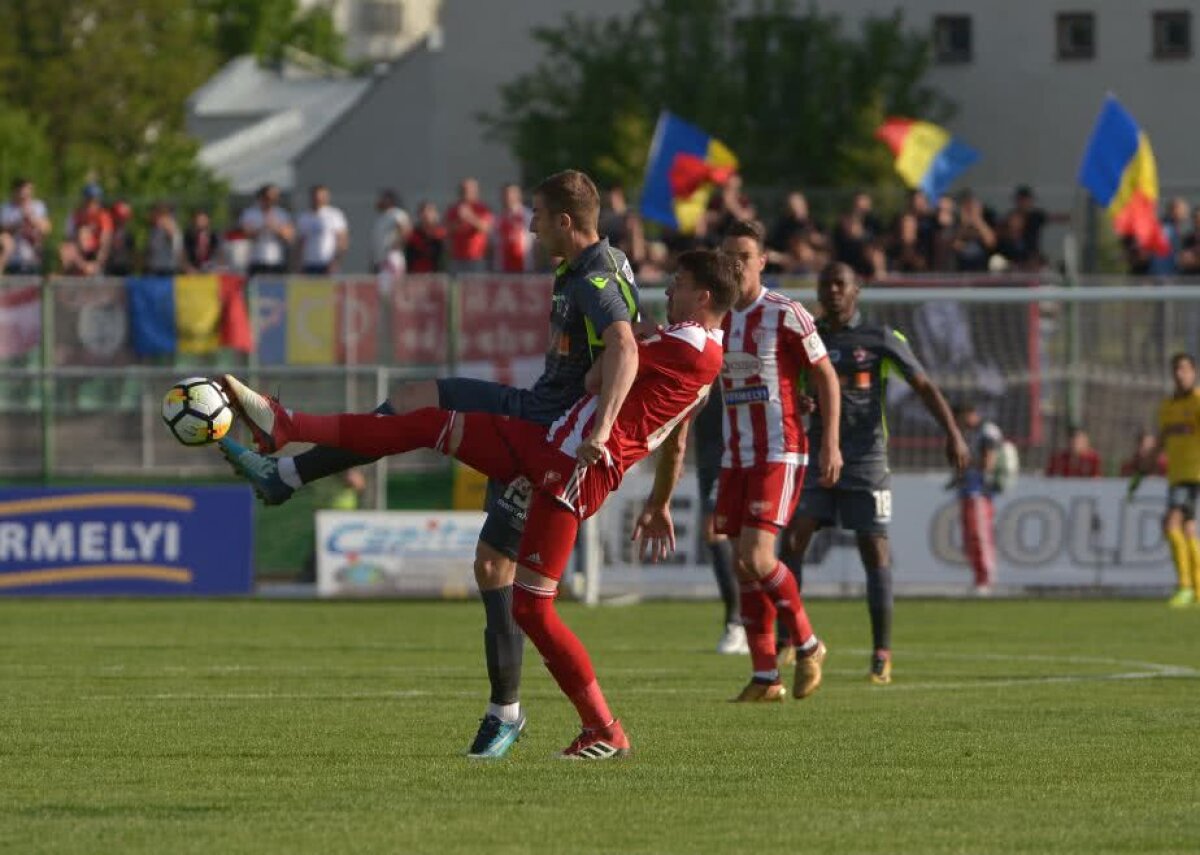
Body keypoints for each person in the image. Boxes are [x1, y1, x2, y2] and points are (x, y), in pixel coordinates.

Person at [220, 248, 735, 759]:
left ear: (703, 295)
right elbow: (599, 380)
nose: (668, 290)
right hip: (548, 444)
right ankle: (288, 428)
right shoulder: (693, 345)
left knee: (533, 608)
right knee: (425, 422)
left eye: (679, 283)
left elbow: (600, 377)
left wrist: (622, 370)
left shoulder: (689, 346)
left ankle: (603, 728)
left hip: (574, 469)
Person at [782, 262, 969, 685]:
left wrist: (953, 434)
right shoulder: (807, 338)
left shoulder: (882, 339)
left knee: (874, 550)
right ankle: (788, 639)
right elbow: (790, 388)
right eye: (825, 284)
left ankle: (881, 654)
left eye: (839, 285)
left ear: (856, 291)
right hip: (816, 456)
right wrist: (802, 404)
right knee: (794, 537)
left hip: (866, 460)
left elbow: (923, 385)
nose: (832, 291)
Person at [716, 219, 842, 703]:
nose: (735, 265)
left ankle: (809, 645)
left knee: (757, 556)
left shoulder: (786, 313)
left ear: (762, 262)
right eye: (727, 257)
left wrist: (830, 443)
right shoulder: (720, 318)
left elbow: (826, 377)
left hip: (779, 450)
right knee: (741, 566)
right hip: (735, 455)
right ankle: (766, 677)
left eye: (743, 257)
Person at [1131, 353, 1200, 607]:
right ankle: (1197, 588)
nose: (1180, 374)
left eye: (1184, 369)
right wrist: (1142, 471)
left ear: (1194, 372)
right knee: (1188, 528)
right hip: (1176, 474)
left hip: (1193, 474)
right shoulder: (1168, 407)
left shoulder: (1197, 402)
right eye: (1176, 370)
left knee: (1171, 523)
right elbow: (1161, 442)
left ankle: (1185, 586)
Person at [690, 381, 745, 654]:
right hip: (708, 451)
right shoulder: (695, 343)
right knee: (727, 535)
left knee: (718, 530)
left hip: (734, 448)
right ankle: (747, 622)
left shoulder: (736, 347)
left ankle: (737, 623)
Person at [953, 401, 1002, 595]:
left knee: (980, 535)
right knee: (969, 537)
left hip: (980, 492)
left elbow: (988, 462)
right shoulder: (967, 433)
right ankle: (978, 578)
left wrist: (966, 463)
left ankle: (986, 578)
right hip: (967, 490)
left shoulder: (987, 431)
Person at [239, 184, 294, 275]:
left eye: (275, 197)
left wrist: (276, 228)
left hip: (276, 261)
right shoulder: (250, 213)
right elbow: (246, 234)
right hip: (256, 260)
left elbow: (289, 237)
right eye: (269, 198)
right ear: (261, 197)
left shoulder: (282, 214)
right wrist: (262, 228)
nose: (272, 201)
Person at [59, 183, 112, 276]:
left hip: (95, 254)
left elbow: (105, 242)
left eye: (95, 200)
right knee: (65, 248)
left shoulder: (103, 216)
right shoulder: (76, 215)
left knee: (85, 233)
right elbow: (69, 241)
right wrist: (83, 264)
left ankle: (92, 269)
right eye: (89, 200)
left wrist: (97, 264)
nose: (91, 204)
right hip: (80, 254)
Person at [0, 178, 51, 274]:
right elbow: (3, 229)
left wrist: (32, 219)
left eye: (29, 191)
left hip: (33, 250)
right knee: (5, 240)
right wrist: (19, 222)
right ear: (15, 192)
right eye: (23, 192)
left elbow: (47, 228)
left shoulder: (38, 206)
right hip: (12, 252)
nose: (27, 195)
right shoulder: (6, 208)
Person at [295, 185, 349, 275]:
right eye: (316, 197)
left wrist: (336, 261)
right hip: (309, 264)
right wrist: (298, 264)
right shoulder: (304, 217)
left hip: (327, 264)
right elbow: (300, 243)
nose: (318, 199)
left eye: (322, 196)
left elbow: (342, 240)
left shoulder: (334, 215)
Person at [445, 177, 494, 273]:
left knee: (476, 286)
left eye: (469, 190)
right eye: (463, 190)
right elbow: (447, 229)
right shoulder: (453, 209)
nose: (466, 193)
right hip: (457, 258)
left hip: (477, 258)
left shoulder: (483, 208)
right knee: (456, 287)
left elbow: (487, 228)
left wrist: (470, 217)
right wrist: (459, 221)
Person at [494, 183, 534, 273]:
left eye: (511, 194)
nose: (507, 197)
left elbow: (537, 242)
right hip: (502, 267)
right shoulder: (498, 217)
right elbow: (494, 243)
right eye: (505, 194)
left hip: (525, 267)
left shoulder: (528, 216)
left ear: (519, 195)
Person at [370, 189, 411, 275]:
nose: (378, 201)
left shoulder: (396, 213)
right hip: (380, 260)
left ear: (389, 200)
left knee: (393, 287)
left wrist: (396, 245)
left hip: (391, 257)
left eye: (382, 198)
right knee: (382, 287)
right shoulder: (382, 217)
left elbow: (405, 228)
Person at [405, 201, 446, 273]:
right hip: (416, 274)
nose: (426, 215)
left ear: (435, 214)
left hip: (437, 275)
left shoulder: (441, 232)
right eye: (423, 212)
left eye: (429, 211)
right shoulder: (413, 234)